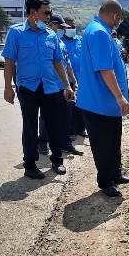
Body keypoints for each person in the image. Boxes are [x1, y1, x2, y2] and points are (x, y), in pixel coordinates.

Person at [3, 0, 74, 179]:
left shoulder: (50, 35)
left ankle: (57, 160)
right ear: (33, 13)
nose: (49, 16)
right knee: (30, 126)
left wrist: (67, 85)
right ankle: (30, 164)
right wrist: (8, 88)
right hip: (27, 87)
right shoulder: (16, 33)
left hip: (50, 87)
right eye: (46, 13)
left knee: (54, 125)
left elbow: (58, 63)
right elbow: (9, 61)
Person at [76, 0, 129, 197]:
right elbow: (105, 69)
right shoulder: (99, 33)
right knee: (103, 144)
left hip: (106, 103)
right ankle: (105, 181)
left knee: (114, 140)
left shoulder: (97, 30)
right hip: (99, 102)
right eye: (118, 20)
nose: (117, 23)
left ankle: (116, 174)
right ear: (115, 16)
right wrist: (120, 97)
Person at [38, 13, 83, 156]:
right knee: (47, 117)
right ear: (51, 25)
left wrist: (73, 80)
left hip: (64, 85)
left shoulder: (61, 43)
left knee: (65, 116)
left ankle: (65, 143)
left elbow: (67, 64)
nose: (62, 30)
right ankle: (42, 142)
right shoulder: (45, 41)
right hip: (50, 86)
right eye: (60, 27)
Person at [62, 16, 87, 138]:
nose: (72, 28)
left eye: (73, 26)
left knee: (81, 105)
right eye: (69, 27)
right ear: (64, 28)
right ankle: (70, 131)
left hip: (81, 79)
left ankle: (81, 128)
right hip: (68, 80)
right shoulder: (60, 41)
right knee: (69, 107)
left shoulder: (80, 40)